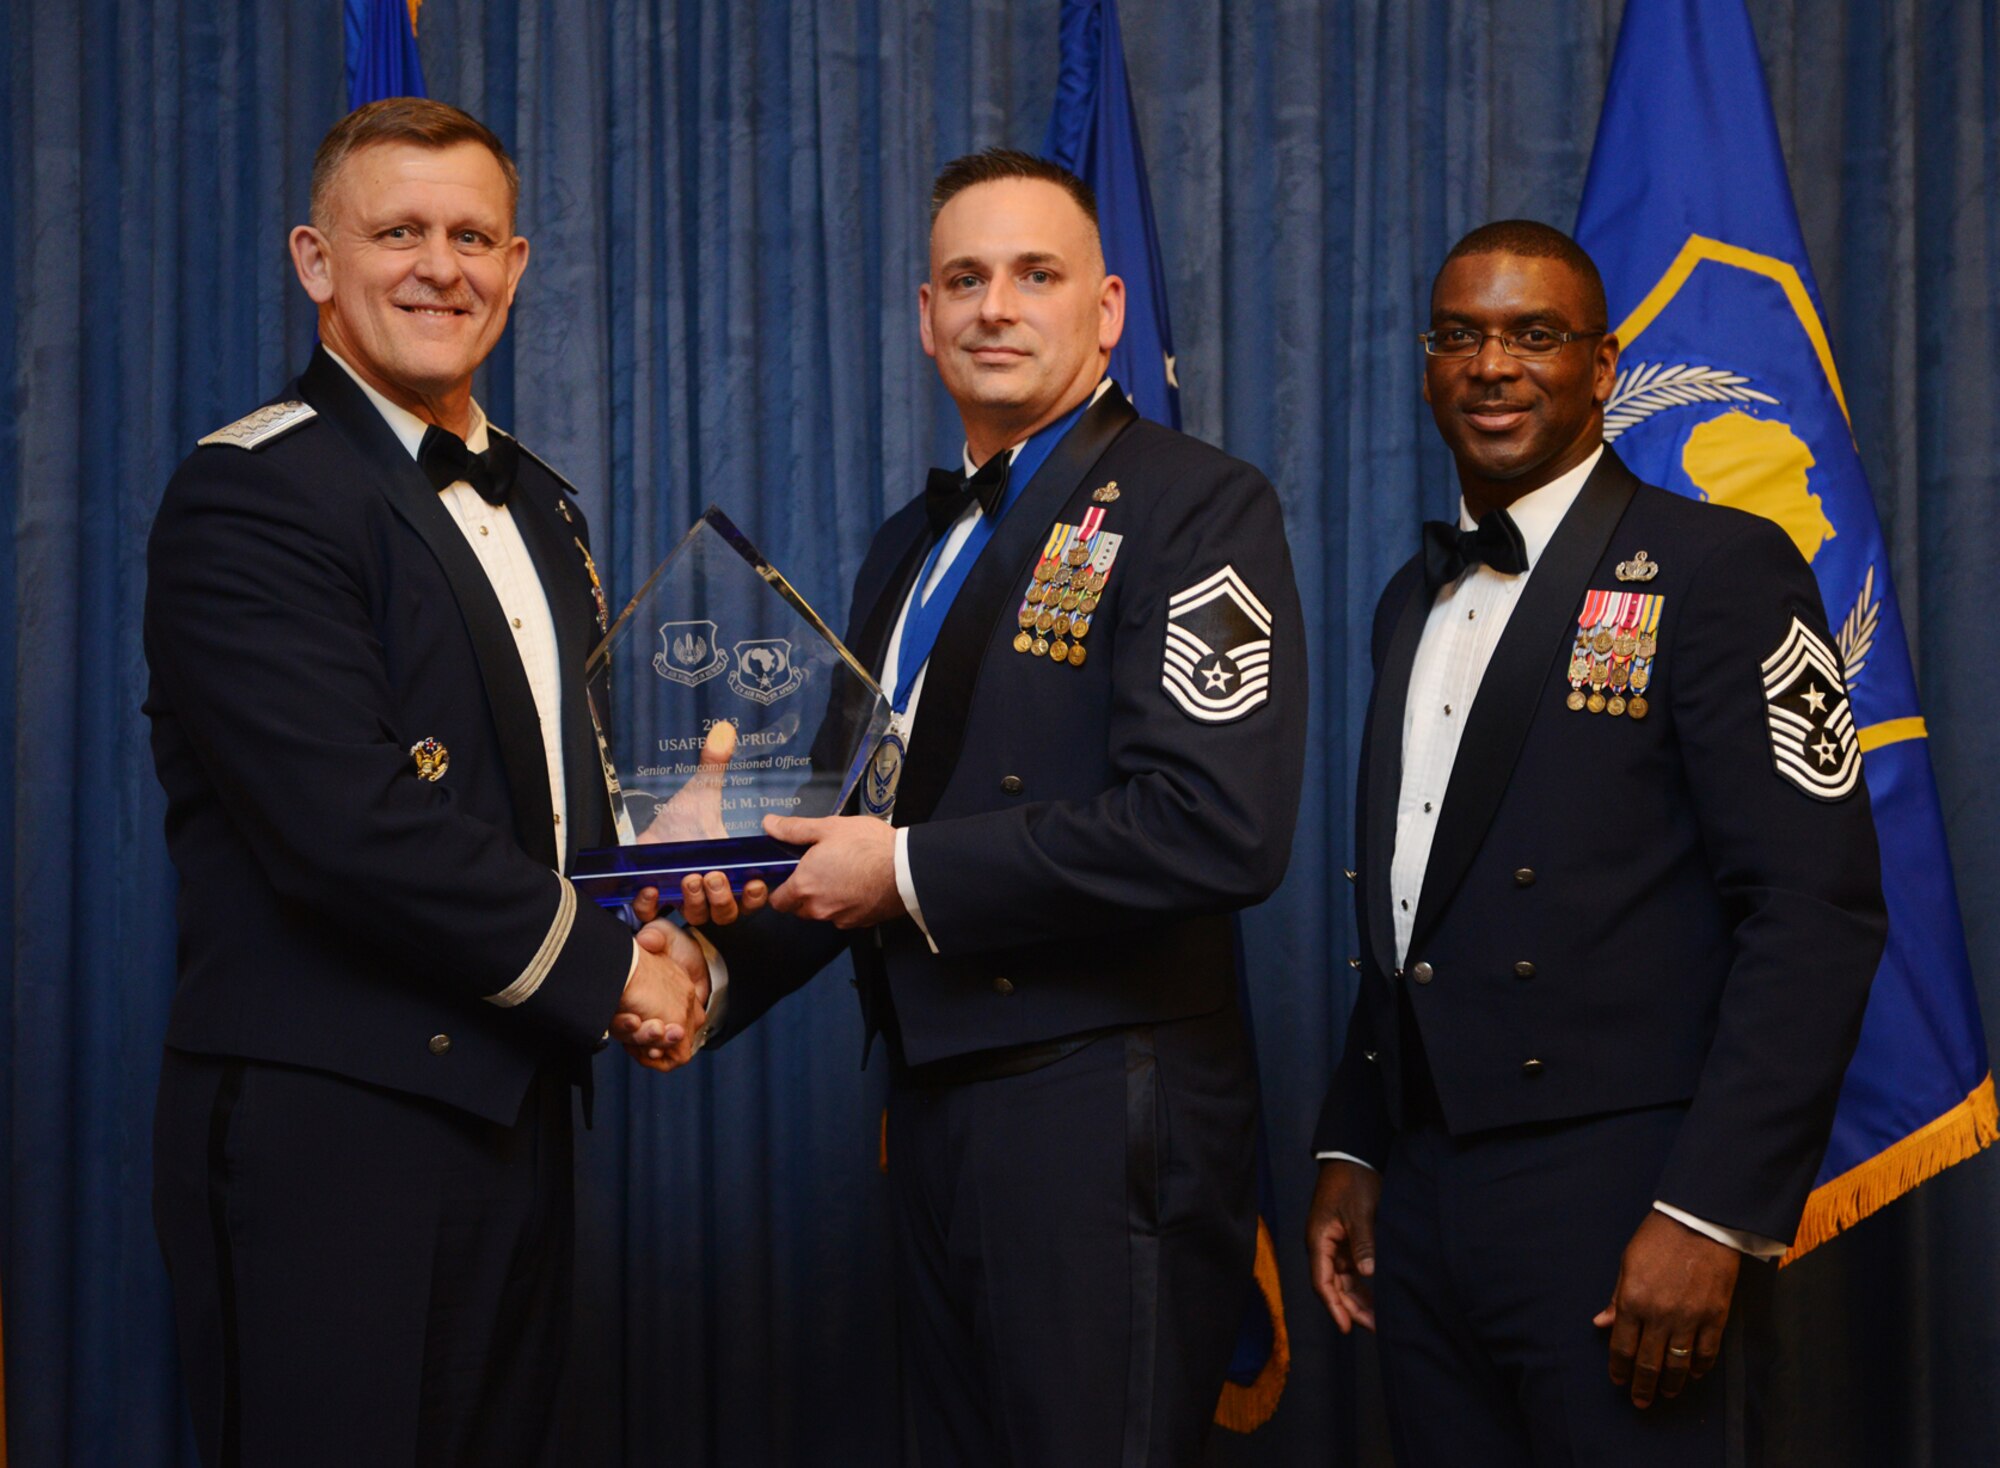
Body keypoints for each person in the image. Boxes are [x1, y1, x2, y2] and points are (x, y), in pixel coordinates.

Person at [641, 148, 1309, 1465]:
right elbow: (847, 831)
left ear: (1105, 309)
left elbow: (1216, 825)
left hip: (1099, 1105)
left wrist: (904, 877)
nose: (996, 306)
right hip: (942, 1108)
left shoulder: (1196, 504)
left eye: (1035, 275)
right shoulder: (910, 543)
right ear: (925, 314)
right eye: (966, 278)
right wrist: (704, 959)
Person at [144, 98, 709, 1467]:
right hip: (332, 1134)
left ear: (515, 267)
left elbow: (536, 814)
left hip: (514, 1112)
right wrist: (609, 973)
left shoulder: (543, 505)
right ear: (315, 260)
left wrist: (661, 872)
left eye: (471, 236)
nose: (438, 267)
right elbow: (348, 829)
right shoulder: (251, 494)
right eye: (397, 231)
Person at [1304, 220, 1885, 1466]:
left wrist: (1709, 1212)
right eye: (1459, 335)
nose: (1491, 366)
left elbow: (1814, 910)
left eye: (1532, 335)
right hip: (1427, 1189)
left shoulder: (1721, 567)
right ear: (1424, 365)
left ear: (1604, 364)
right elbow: (1415, 900)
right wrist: (1357, 1135)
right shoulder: (1411, 600)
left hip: (1624, 1192)